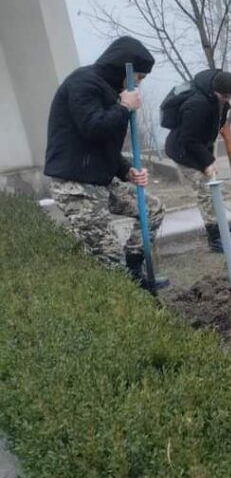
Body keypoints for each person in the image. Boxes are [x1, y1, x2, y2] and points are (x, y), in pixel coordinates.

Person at [43, 36, 167, 291]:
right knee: (109, 258)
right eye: (139, 77)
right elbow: (93, 128)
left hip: (101, 181)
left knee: (152, 209)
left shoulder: (109, 90)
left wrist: (126, 170)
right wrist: (123, 107)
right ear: (124, 69)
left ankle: (134, 273)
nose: (139, 84)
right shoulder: (83, 83)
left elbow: (102, 146)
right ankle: (127, 297)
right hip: (76, 186)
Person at [163, 69, 231, 253]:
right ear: (215, 91)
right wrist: (206, 163)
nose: (227, 100)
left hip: (198, 148)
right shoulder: (197, 105)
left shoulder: (218, 100)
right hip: (183, 151)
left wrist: (209, 158)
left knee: (213, 189)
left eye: (230, 96)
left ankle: (221, 230)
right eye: (225, 96)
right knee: (207, 190)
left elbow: (210, 130)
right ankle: (215, 239)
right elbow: (188, 139)